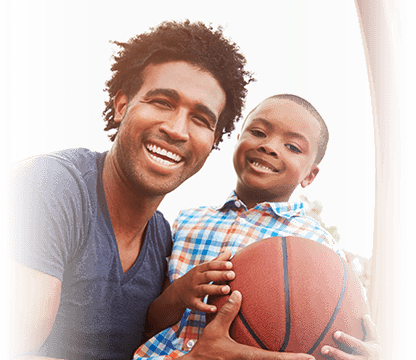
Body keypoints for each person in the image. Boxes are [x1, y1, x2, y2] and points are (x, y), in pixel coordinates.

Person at [9, 19, 308, 360]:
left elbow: (143, 341)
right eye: (163, 102)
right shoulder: (47, 187)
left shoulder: (164, 236)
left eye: (201, 119)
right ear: (122, 105)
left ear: (214, 142)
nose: (177, 129)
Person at [133, 94, 383, 360]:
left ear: (310, 175)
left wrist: (365, 351)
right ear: (239, 138)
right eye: (258, 132)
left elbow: (336, 331)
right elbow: (149, 321)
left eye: (293, 147)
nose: (270, 146)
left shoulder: (318, 246)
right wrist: (178, 294)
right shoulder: (189, 222)